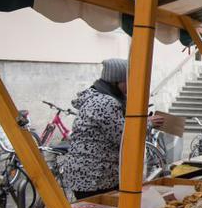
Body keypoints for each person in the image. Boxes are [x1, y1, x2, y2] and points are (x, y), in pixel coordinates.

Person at [65, 58, 164, 200]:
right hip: (94, 177)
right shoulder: (106, 102)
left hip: (90, 173)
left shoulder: (97, 96)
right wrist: (147, 124)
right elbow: (123, 137)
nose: (131, 85)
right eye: (128, 81)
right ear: (116, 81)